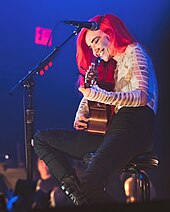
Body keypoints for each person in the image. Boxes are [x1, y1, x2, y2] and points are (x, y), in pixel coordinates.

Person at [33, 13, 158, 206]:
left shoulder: (134, 50)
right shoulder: (110, 67)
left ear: (112, 32)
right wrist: (81, 112)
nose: (95, 49)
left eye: (96, 41)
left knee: (91, 185)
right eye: (91, 46)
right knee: (41, 140)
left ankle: (85, 196)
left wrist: (97, 94)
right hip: (113, 130)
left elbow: (141, 97)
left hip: (134, 126)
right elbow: (95, 94)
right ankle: (78, 198)